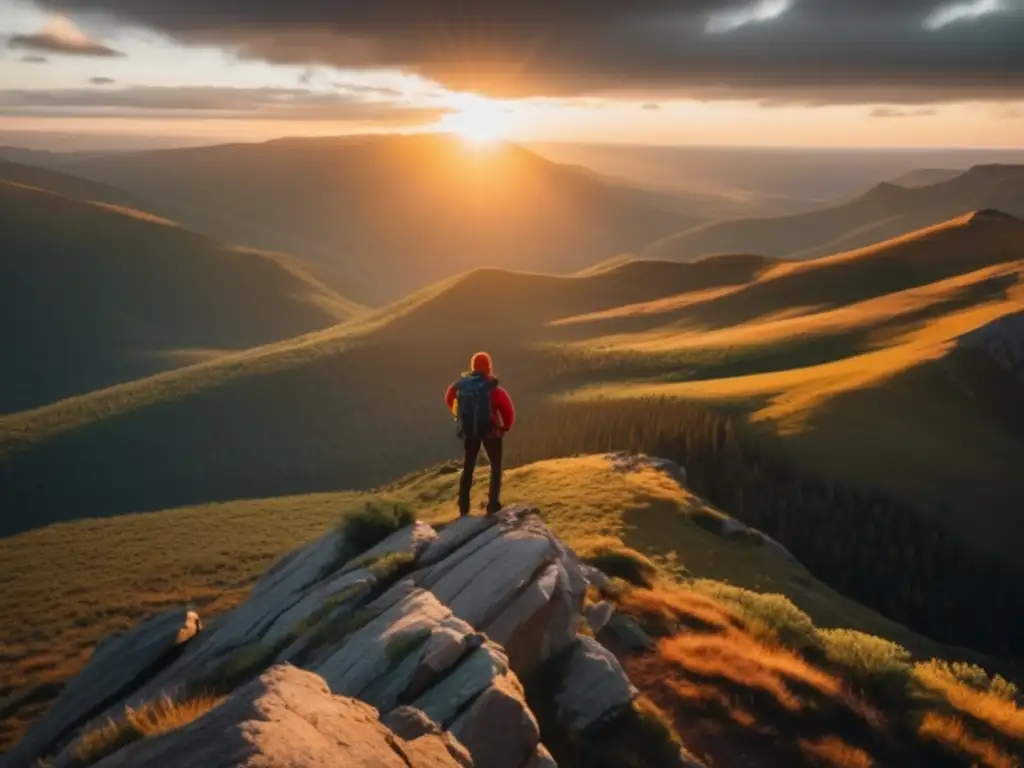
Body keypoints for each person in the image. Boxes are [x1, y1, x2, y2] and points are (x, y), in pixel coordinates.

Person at [444, 352, 516, 517]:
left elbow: (449, 397)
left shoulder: (461, 385)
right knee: (496, 467)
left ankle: (463, 506)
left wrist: (459, 414)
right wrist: (505, 427)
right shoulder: (492, 388)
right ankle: (493, 505)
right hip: (491, 431)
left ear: (473, 366)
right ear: (489, 366)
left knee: (468, 466)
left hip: (470, 430)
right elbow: (507, 410)